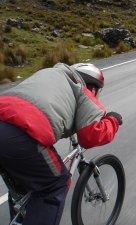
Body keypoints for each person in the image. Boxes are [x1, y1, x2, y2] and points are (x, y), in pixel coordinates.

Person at [0, 62, 123, 225]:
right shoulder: (82, 90)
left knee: (22, 184)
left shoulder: (49, 73)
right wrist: (113, 120)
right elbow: (91, 135)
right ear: (93, 88)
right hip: (20, 135)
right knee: (56, 184)